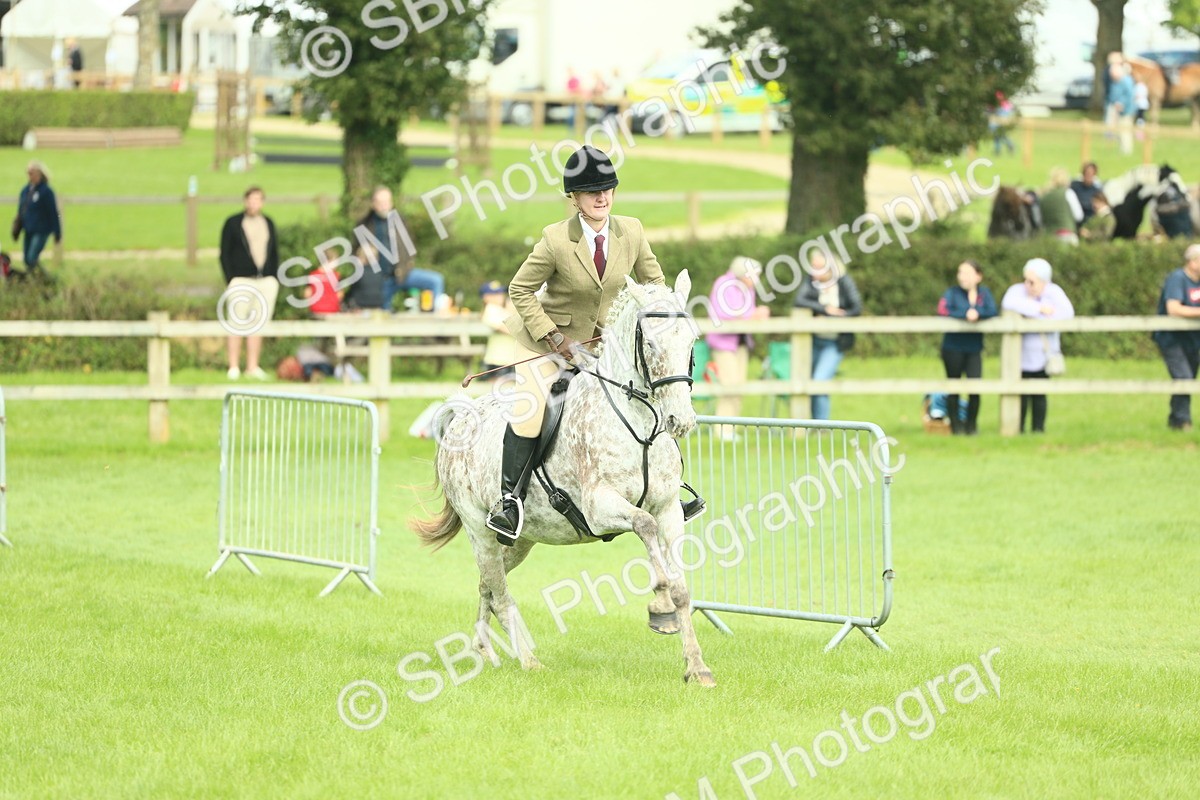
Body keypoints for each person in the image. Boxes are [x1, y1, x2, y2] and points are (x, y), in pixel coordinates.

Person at [489, 145, 666, 545]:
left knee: (649, 395)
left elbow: (654, 283)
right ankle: (509, 501)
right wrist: (555, 337)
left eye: (607, 189)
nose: (602, 198)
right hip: (546, 342)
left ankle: (667, 488)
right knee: (532, 409)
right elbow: (520, 290)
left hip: (605, 345)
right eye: (592, 192)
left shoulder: (632, 231)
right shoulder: (555, 239)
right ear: (574, 198)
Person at [1001, 258, 1075, 434]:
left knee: (1039, 394)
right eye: (1026, 280)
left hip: (1043, 355)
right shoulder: (1016, 291)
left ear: (1044, 281)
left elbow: (1066, 314)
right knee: (1020, 395)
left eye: (1032, 281)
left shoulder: (1054, 292)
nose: (1028, 285)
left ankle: (1038, 430)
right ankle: (1018, 429)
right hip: (1019, 355)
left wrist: (1031, 315)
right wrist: (1040, 309)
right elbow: (1009, 303)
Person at [793, 252, 862, 420]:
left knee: (819, 382)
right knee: (807, 383)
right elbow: (799, 300)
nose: (814, 271)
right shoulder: (810, 282)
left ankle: (822, 426)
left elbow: (856, 308)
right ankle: (811, 424)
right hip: (813, 341)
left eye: (819, 267)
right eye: (813, 267)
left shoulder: (844, 282)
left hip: (834, 343)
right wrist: (824, 309)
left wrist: (835, 317)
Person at [219, 186, 279, 380]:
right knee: (236, 322)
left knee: (259, 323)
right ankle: (233, 366)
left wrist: (273, 276)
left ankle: (252, 366)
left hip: (265, 280)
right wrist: (230, 278)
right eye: (251, 199)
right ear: (245, 201)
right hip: (241, 279)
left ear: (262, 202)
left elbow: (274, 252)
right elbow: (224, 253)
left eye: (257, 199)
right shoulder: (233, 223)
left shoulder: (268, 222)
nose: (254, 203)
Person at [356, 187, 445, 312]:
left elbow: (411, 244)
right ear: (373, 204)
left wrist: (408, 262)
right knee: (381, 315)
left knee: (436, 280)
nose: (384, 206)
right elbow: (356, 253)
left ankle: (437, 319)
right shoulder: (364, 225)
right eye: (380, 203)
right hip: (379, 281)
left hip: (402, 273)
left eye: (386, 202)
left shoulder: (400, 221)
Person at [706, 256, 769, 430]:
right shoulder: (723, 284)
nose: (756, 280)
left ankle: (732, 428)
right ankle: (723, 430)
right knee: (730, 385)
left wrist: (758, 315)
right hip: (723, 343)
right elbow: (722, 314)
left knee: (739, 386)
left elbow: (748, 313)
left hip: (741, 343)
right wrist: (752, 316)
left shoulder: (749, 289)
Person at [937, 260, 998, 435]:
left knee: (975, 388)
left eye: (967, 273)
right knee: (954, 387)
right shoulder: (952, 293)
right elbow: (943, 310)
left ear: (978, 276)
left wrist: (978, 314)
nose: (962, 277)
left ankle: (971, 427)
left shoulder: (984, 294)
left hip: (974, 349)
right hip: (953, 347)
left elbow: (993, 310)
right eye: (960, 272)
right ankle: (956, 427)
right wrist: (964, 314)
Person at [1152, 244, 1200, 431]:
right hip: (1172, 338)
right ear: (1192, 262)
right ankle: (1183, 421)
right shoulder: (1177, 279)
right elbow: (1174, 309)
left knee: (1187, 379)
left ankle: (1175, 420)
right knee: (1183, 377)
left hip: (1192, 339)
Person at [12, 160, 61, 277]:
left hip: (41, 230)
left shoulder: (46, 192)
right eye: (28, 173)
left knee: (32, 258)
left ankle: (46, 279)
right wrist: (17, 228)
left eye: (32, 173)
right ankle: (35, 280)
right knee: (26, 259)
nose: (29, 175)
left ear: (39, 173)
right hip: (28, 230)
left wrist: (57, 232)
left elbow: (53, 212)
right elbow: (21, 210)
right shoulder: (25, 191)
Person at [478, 280, 519, 380]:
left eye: (501, 293)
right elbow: (511, 330)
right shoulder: (491, 310)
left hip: (509, 360)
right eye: (495, 294)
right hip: (498, 360)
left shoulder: (502, 310)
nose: (500, 296)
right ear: (485, 297)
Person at [1040, 167, 1084, 246]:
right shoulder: (1068, 193)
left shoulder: (1044, 196)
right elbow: (1079, 216)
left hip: (1049, 237)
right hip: (1067, 235)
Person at [306, 247, 344, 316]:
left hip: (316, 310)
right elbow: (340, 294)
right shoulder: (336, 276)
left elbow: (307, 293)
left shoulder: (313, 275)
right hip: (332, 310)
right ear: (329, 261)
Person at [988, 91, 1016, 155]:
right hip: (996, 123)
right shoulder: (995, 105)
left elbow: (1008, 114)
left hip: (1002, 123)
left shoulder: (1005, 104)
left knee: (1002, 136)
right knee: (997, 136)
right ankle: (998, 151)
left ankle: (1010, 146)